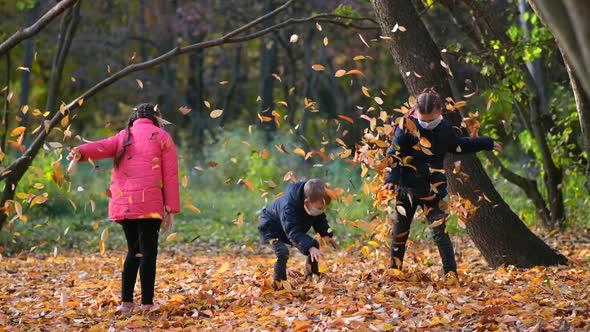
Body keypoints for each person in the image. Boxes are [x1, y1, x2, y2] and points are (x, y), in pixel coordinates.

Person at [67, 103, 180, 312]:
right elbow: (170, 176)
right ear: (157, 118)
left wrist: (78, 152)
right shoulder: (162, 137)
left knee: (133, 251)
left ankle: (126, 303)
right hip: (150, 205)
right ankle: (147, 304)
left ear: (135, 117)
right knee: (148, 253)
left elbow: (99, 146)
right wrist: (170, 209)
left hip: (124, 204)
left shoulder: (123, 136)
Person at [383, 91, 502, 280]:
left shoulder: (444, 127)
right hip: (407, 189)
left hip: (433, 189)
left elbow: (458, 145)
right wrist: (390, 180)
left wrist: (486, 142)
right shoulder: (406, 127)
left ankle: (451, 274)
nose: (427, 124)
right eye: (424, 120)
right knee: (400, 232)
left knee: (440, 233)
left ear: (440, 112)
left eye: (431, 120)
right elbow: (393, 155)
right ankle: (394, 272)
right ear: (416, 112)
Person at [258, 179, 338, 288]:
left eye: (323, 208)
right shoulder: (289, 207)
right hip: (270, 228)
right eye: (319, 208)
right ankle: (279, 283)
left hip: (286, 227)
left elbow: (320, 219)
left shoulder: (312, 201)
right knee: (282, 251)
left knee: (314, 244)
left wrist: (326, 235)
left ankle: (312, 275)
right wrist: (309, 247)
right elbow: (293, 231)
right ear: (306, 202)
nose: (321, 210)